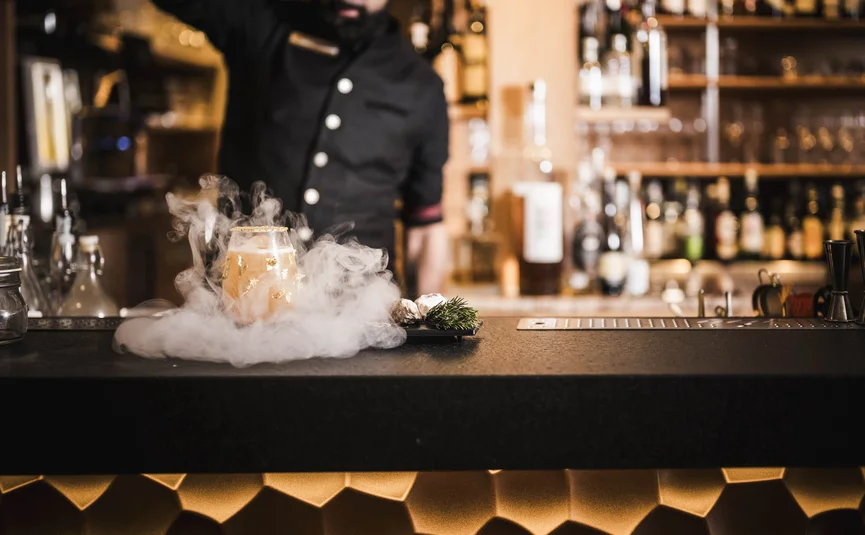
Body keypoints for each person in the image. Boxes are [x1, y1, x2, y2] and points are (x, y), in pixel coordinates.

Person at [151, 0, 449, 295]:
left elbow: (425, 228)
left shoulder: (422, 85)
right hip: (242, 299)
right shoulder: (262, 22)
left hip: (363, 309)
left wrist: (428, 327)